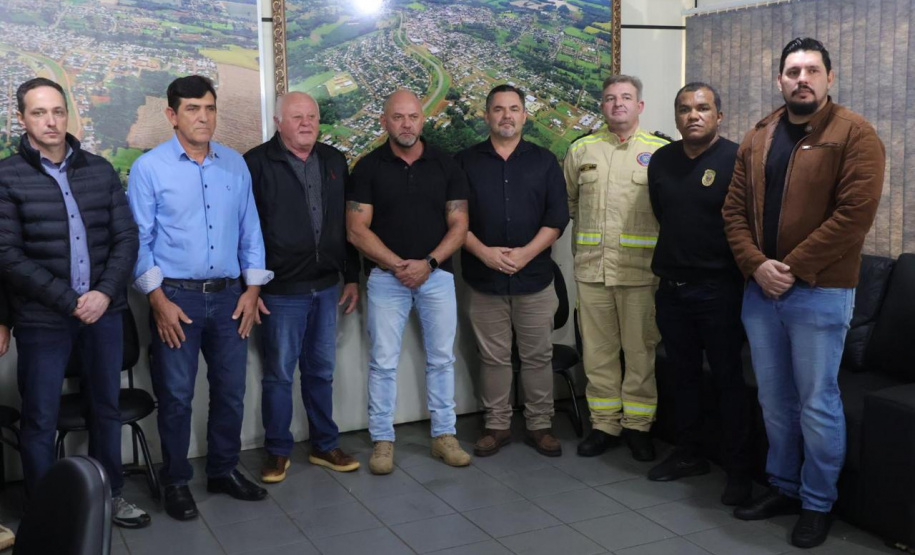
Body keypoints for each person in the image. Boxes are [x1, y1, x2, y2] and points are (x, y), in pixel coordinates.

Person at [722, 38, 885, 548]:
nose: (802, 79)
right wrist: (756, 265)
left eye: (812, 70)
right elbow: (733, 212)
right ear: (780, 80)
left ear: (829, 77)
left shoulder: (855, 134)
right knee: (774, 401)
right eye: (793, 71)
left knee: (817, 403)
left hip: (820, 291)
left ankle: (817, 503)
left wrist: (789, 269)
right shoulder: (759, 135)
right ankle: (784, 487)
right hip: (761, 293)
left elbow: (853, 217)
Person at [0, 78, 148, 528]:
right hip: (43, 319)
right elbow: (7, 254)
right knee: (40, 418)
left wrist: (103, 293)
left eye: (58, 111)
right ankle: (46, 513)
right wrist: (70, 301)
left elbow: (126, 237)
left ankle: (109, 497)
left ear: (68, 114)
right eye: (39, 112)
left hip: (104, 313)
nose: (51, 121)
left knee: (105, 408)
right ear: (21, 118)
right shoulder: (6, 176)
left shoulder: (99, 170)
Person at [128, 75, 273, 521]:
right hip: (176, 300)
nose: (203, 117)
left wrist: (252, 289)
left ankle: (223, 470)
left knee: (231, 391)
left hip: (230, 297)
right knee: (175, 396)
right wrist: (157, 300)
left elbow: (250, 230)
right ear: (172, 115)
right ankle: (175, 481)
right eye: (192, 109)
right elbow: (139, 241)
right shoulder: (150, 168)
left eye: (209, 108)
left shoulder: (234, 164)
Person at [346, 89, 471, 475]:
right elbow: (356, 229)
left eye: (413, 116)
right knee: (383, 363)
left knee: (442, 360)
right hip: (386, 279)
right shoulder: (368, 168)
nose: (406, 124)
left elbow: (460, 224)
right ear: (384, 121)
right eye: (398, 117)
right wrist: (400, 266)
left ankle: (444, 436)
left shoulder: (446, 164)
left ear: (423, 118)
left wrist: (428, 264)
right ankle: (383, 440)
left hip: (437, 277)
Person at [244, 92, 361, 482]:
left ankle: (325, 445)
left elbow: (347, 226)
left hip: (327, 287)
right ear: (278, 122)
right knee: (278, 374)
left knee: (321, 371)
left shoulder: (334, 161)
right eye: (297, 117)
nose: (307, 123)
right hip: (279, 292)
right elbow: (244, 230)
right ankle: (277, 451)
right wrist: (251, 286)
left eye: (312, 116)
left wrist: (352, 276)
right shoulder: (256, 163)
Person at [646, 82, 751, 505]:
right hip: (671, 290)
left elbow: (747, 222)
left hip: (720, 291)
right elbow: (663, 213)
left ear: (718, 116)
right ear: (676, 117)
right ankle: (689, 454)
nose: (694, 115)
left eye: (703, 108)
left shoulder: (737, 159)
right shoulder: (662, 160)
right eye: (685, 109)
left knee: (728, 381)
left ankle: (739, 470)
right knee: (683, 378)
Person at [455, 84, 569, 458]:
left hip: (534, 278)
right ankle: (497, 425)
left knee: (538, 357)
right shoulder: (464, 162)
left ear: (524, 115)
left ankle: (540, 426)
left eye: (514, 109)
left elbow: (557, 218)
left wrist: (526, 254)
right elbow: (454, 219)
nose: (507, 116)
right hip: (484, 278)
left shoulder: (545, 161)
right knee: (493, 358)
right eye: (499, 109)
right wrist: (484, 253)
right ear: (486, 115)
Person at [563, 75, 668, 461]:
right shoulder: (581, 150)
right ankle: (604, 424)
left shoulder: (661, 152)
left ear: (639, 106)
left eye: (626, 97)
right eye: (610, 98)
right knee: (598, 353)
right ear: (602, 106)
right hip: (592, 272)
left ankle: (638, 426)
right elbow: (571, 203)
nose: (617, 103)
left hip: (641, 273)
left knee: (640, 353)